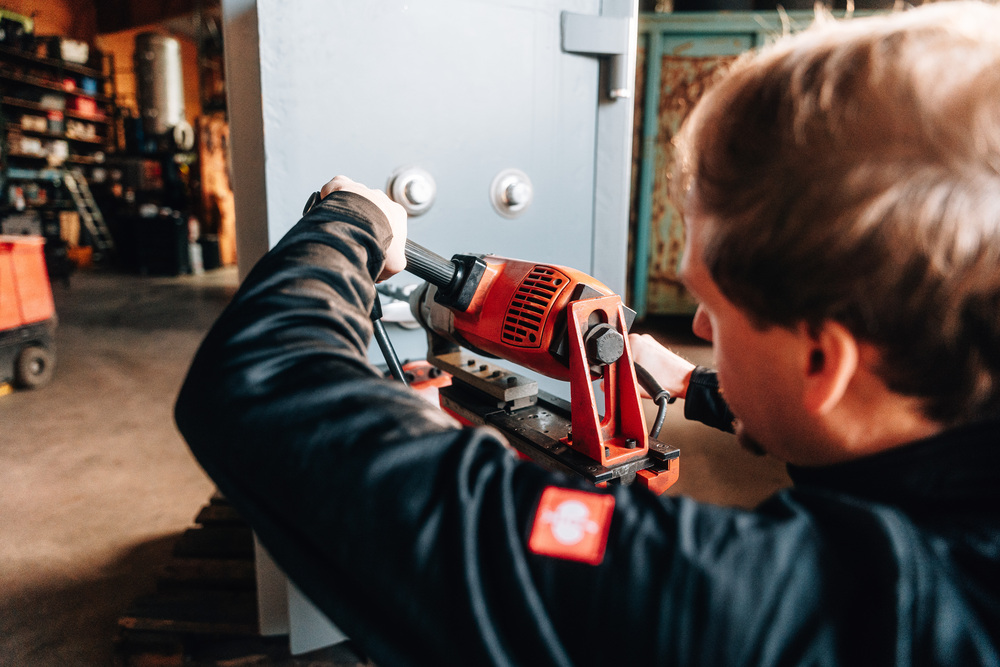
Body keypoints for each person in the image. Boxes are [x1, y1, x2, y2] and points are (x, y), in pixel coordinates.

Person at [175, 3, 1000, 665]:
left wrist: (350, 223)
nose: (700, 325)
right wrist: (696, 387)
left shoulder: (785, 610)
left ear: (826, 362)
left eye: (711, 306)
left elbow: (258, 388)